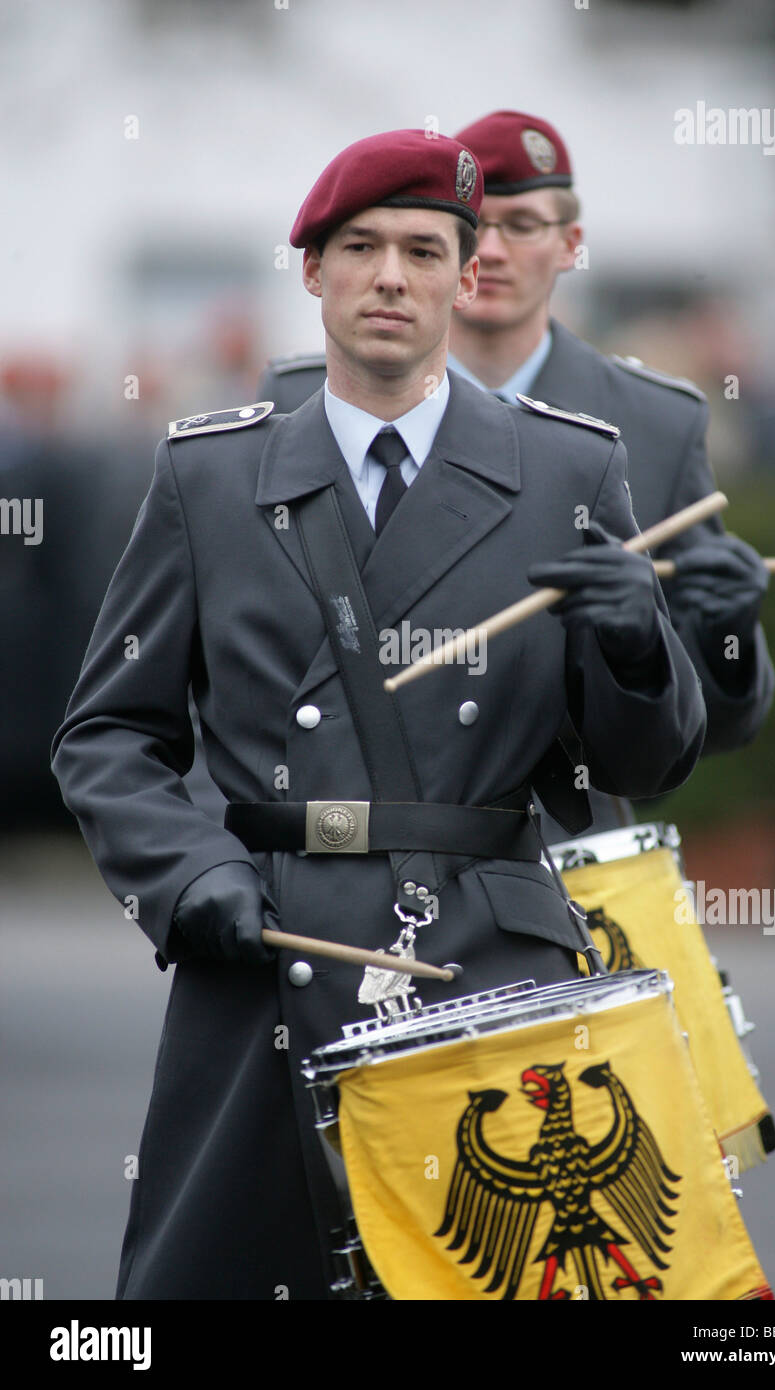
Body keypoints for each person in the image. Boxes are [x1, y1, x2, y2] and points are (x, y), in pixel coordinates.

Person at [51, 129, 706, 1301]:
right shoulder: (209, 474)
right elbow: (108, 733)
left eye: (423, 249)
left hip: (487, 967)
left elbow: (639, 762)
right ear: (311, 271)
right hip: (262, 948)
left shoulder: (567, 471)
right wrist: (187, 874)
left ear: (467, 276)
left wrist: (632, 643)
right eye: (359, 248)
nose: (391, 276)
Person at [260, 111, 775, 832]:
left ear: (571, 245)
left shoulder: (650, 424)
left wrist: (726, 639)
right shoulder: (295, 403)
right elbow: (230, 664)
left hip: (564, 853)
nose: (496, 250)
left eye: (524, 225)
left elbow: (693, 731)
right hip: (341, 838)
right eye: (479, 225)